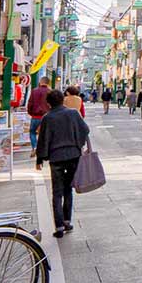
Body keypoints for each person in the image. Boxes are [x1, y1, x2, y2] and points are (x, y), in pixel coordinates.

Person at [35, 88, 90, 238]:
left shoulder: (48, 117)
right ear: (62, 100)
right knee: (68, 189)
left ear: (48, 103)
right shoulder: (73, 113)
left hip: (56, 158)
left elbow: (43, 139)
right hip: (73, 156)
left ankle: (59, 226)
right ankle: (67, 221)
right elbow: (85, 129)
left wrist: (40, 158)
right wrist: (78, 145)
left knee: (57, 192)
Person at [25, 78, 51, 157]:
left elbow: (30, 104)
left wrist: (30, 113)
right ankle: (45, 150)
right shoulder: (51, 92)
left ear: (40, 82)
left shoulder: (34, 91)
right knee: (46, 134)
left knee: (32, 132)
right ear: (48, 83)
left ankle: (35, 147)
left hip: (35, 116)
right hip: (47, 117)